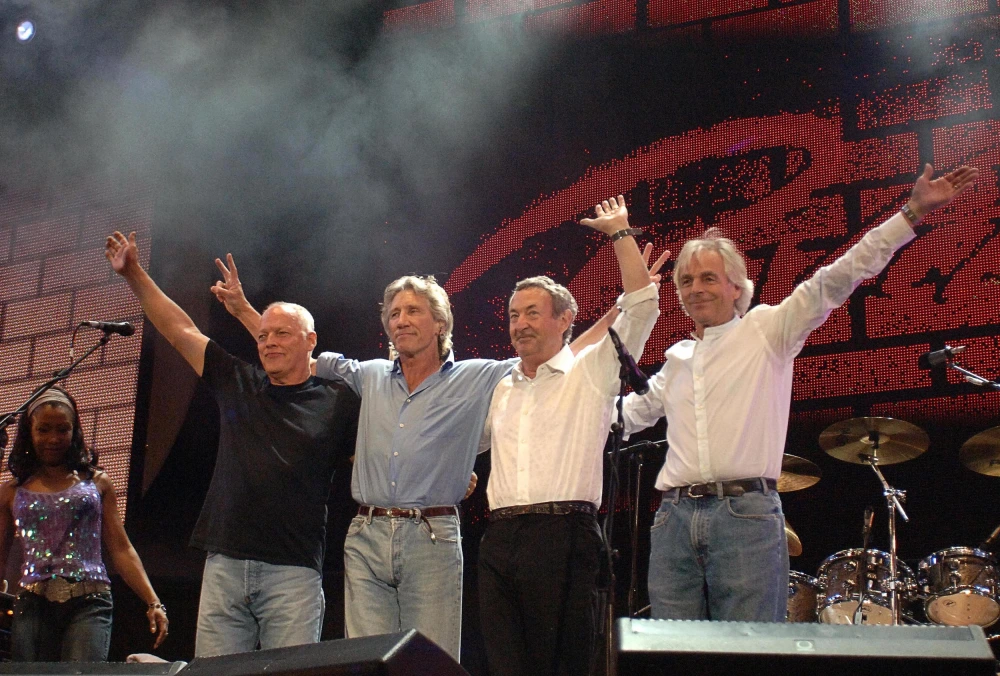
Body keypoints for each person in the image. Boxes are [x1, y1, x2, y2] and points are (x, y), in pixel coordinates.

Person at [210, 241, 666, 662]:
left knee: (429, 664)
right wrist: (246, 312)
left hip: (431, 536)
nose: (401, 319)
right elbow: (292, 354)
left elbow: (554, 353)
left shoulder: (478, 376)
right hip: (366, 535)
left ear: (440, 322)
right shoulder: (366, 375)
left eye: (413, 310)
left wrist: (625, 306)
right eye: (393, 312)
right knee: (369, 661)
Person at [620, 163, 980, 622]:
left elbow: (837, 278)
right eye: (686, 282)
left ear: (736, 286)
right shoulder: (676, 361)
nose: (696, 288)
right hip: (673, 520)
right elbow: (621, 417)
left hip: (744, 517)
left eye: (708, 278)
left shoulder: (768, 329)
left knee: (751, 653)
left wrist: (911, 212)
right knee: (672, 652)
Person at [104, 231, 360, 657]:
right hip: (225, 563)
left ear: (310, 341)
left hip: (293, 572)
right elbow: (178, 328)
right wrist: (133, 274)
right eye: (263, 336)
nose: (270, 342)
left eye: (282, 334)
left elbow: (375, 452)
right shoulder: (238, 380)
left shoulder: (339, 402)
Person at [479, 195, 660, 676]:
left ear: (564, 320)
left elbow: (642, 307)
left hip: (564, 537)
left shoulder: (591, 374)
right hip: (498, 540)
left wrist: (621, 234)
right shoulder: (500, 388)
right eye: (515, 315)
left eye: (533, 313)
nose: (520, 324)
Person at [0, 387, 168, 661]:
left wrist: (153, 601)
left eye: (62, 430)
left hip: (89, 601)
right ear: (29, 432)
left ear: (74, 431)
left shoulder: (97, 483)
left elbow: (121, 549)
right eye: (44, 429)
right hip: (32, 604)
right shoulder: (11, 491)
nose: (53, 438)